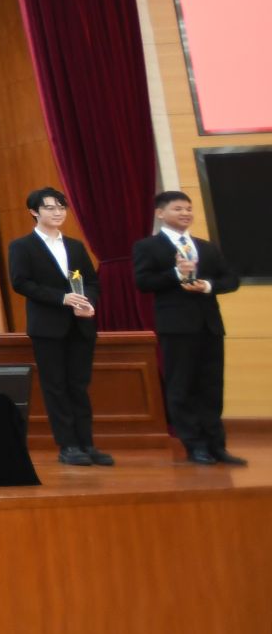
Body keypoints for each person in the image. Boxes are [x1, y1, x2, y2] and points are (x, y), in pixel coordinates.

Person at [133, 190, 243, 465]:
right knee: (181, 386)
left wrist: (207, 285)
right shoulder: (148, 247)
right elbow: (143, 282)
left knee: (211, 387)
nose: (185, 213)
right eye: (178, 209)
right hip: (176, 327)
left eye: (188, 209)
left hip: (209, 326)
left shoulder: (206, 247)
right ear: (160, 213)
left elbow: (230, 279)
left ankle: (217, 445)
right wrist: (176, 274)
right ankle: (194, 445)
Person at [7, 187, 109, 467]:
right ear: (34, 212)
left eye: (61, 207)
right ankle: (68, 445)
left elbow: (92, 281)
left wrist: (88, 301)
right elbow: (21, 282)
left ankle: (87, 443)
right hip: (47, 327)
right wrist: (61, 298)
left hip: (81, 325)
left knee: (79, 385)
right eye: (50, 207)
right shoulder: (22, 246)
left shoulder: (75, 246)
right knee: (56, 386)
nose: (57, 213)